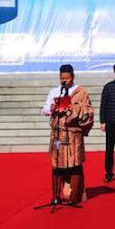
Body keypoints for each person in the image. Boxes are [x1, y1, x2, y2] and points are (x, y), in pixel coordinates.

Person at [41, 64, 93, 204]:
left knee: (75, 164)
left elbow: (88, 110)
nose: (64, 80)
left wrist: (73, 108)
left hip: (73, 134)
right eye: (62, 78)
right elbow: (44, 109)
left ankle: (74, 196)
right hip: (58, 134)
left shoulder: (81, 92)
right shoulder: (55, 91)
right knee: (56, 165)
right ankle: (56, 196)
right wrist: (51, 108)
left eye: (67, 78)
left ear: (73, 77)